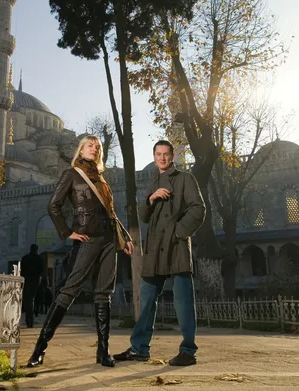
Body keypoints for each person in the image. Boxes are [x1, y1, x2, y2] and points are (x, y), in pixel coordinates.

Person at [26, 134, 133, 368]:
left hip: (108, 240)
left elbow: (110, 212)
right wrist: (67, 232)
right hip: (87, 238)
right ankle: (39, 350)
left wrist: (124, 237)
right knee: (68, 290)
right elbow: (53, 205)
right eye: (89, 146)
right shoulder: (72, 174)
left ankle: (102, 352)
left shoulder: (101, 179)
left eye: (97, 146)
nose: (94, 149)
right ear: (81, 150)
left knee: (104, 293)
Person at [114, 140, 205, 367]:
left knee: (183, 300)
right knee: (146, 299)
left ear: (172, 156)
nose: (162, 158)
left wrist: (179, 232)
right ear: (154, 157)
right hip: (154, 248)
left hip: (176, 246)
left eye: (166, 154)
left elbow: (198, 209)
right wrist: (151, 198)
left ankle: (188, 351)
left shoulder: (185, 178)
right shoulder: (153, 180)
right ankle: (139, 348)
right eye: (158, 154)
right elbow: (144, 216)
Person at [21, 244, 44, 328]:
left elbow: (21, 270)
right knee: (33, 300)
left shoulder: (25, 258)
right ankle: (31, 319)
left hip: (27, 281)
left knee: (28, 301)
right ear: (36, 249)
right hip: (35, 281)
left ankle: (29, 320)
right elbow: (41, 270)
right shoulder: (39, 259)